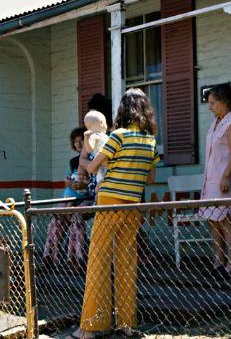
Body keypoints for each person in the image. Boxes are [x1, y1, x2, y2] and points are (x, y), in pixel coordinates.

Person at [72, 88, 160, 339]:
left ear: (124, 109)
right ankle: (126, 322)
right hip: (133, 204)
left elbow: (90, 167)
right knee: (126, 262)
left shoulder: (117, 136)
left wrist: (89, 147)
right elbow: (150, 178)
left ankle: (90, 327)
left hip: (109, 201)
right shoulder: (150, 140)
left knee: (98, 259)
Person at [198, 84, 231, 275]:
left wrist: (225, 176)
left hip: (224, 179)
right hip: (211, 178)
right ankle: (218, 261)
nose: (210, 107)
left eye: (213, 103)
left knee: (225, 220)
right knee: (213, 220)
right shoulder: (216, 122)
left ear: (224, 102)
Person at [43, 128, 89, 269]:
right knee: (55, 221)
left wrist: (83, 184)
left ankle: (76, 258)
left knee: (76, 218)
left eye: (81, 140)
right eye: (75, 141)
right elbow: (66, 179)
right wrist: (70, 183)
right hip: (69, 197)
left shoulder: (93, 158)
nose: (79, 143)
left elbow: (93, 181)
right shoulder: (73, 162)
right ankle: (49, 256)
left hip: (85, 199)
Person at [84, 110, 109, 186]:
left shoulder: (105, 136)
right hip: (101, 165)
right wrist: (87, 139)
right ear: (102, 123)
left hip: (107, 164)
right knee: (100, 186)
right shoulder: (95, 136)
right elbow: (90, 149)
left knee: (103, 186)